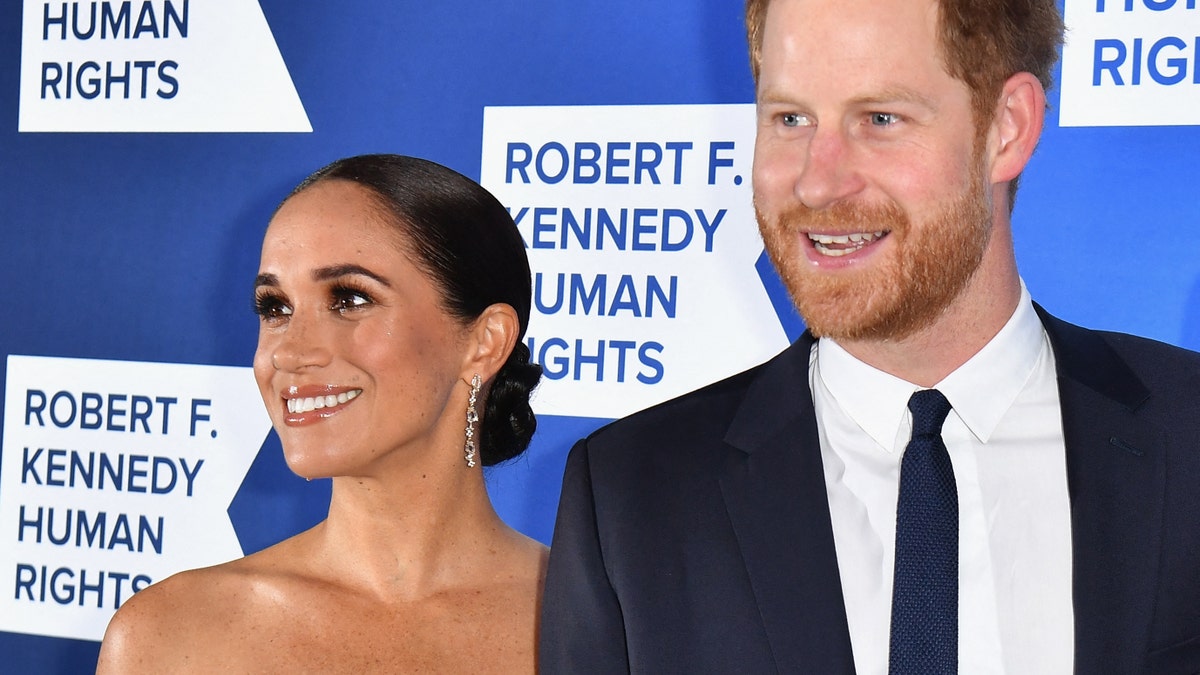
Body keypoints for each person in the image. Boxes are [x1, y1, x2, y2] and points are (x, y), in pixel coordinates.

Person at [539, 0, 1200, 673]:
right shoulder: (632, 497)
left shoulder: (1189, 431)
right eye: (790, 119)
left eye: (881, 119)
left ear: (1008, 127)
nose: (818, 182)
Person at [97, 154, 546, 673]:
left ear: (484, 343)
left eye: (350, 299)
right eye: (276, 308)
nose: (288, 352)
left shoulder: (602, 625)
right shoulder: (169, 636)